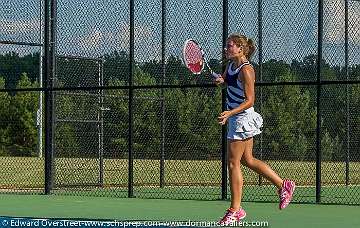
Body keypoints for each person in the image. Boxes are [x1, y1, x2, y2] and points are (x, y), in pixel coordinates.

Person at [214, 34, 295, 225]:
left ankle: (235, 210)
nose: (227, 48)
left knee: (233, 163)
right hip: (236, 117)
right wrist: (221, 80)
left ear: (241, 48)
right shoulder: (230, 66)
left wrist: (229, 113)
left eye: (230, 45)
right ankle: (284, 185)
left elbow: (250, 100)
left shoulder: (247, 70)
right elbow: (228, 81)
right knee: (247, 160)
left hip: (241, 118)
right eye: (227, 45)